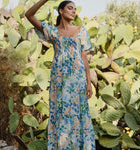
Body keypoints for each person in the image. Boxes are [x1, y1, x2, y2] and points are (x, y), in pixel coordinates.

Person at [25, 0, 95, 149]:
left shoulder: (81, 31)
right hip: (59, 80)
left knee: (79, 114)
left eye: (75, 9)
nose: (74, 11)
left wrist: (89, 83)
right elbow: (29, 15)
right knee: (61, 113)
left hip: (78, 80)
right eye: (70, 8)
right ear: (61, 11)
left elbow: (84, 58)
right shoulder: (52, 31)